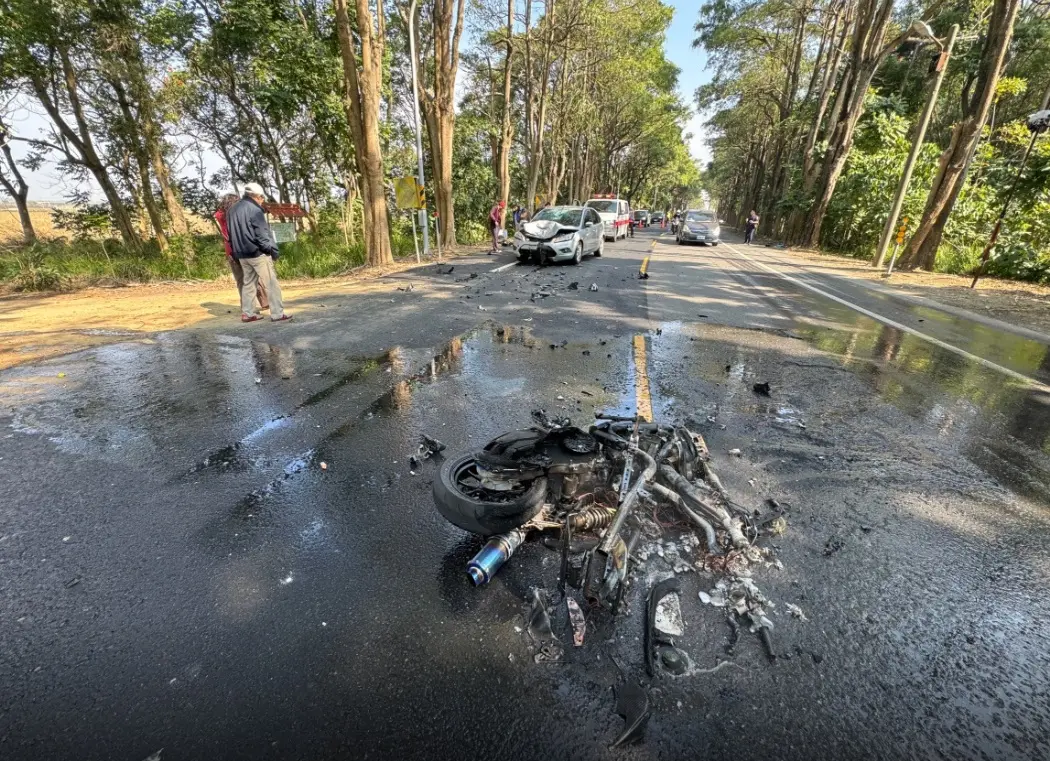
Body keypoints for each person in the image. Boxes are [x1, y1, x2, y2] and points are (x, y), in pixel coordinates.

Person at [227, 182, 290, 322]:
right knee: (271, 283)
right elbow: (262, 234)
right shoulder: (255, 210)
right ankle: (278, 314)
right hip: (257, 253)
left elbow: (230, 234)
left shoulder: (232, 210)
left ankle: (248, 313)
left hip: (241, 253)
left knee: (248, 283)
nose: (262, 201)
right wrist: (271, 250)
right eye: (262, 198)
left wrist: (235, 252)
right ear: (257, 196)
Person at [215, 194, 268, 314]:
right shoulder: (238, 214)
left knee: (241, 280)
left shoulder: (220, 215)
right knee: (255, 276)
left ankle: (247, 308)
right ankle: (265, 302)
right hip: (244, 248)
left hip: (231, 251)